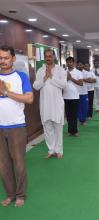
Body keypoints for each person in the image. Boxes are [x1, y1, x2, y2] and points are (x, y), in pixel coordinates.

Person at [0, 45, 33, 207]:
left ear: (13, 59)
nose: (3, 61)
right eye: (0, 58)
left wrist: (6, 92)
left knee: (19, 163)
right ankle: (10, 194)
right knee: (3, 164)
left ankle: (21, 194)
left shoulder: (21, 77)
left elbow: (29, 99)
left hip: (16, 127)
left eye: (6, 58)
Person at [33, 48, 67, 159]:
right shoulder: (40, 70)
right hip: (45, 104)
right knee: (47, 128)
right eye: (46, 56)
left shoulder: (60, 70)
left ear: (54, 57)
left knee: (58, 127)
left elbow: (63, 85)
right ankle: (51, 150)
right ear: (44, 57)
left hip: (57, 103)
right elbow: (36, 86)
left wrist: (51, 77)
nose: (48, 58)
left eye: (50, 56)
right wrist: (45, 78)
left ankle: (59, 150)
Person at [63, 57, 83, 136]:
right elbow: (61, 83)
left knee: (74, 115)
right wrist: (66, 79)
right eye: (68, 62)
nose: (69, 63)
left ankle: (75, 131)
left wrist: (71, 78)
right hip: (65, 96)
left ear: (73, 63)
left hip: (75, 96)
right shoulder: (63, 72)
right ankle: (69, 130)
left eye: (71, 62)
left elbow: (81, 83)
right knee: (68, 115)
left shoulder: (78, 72)